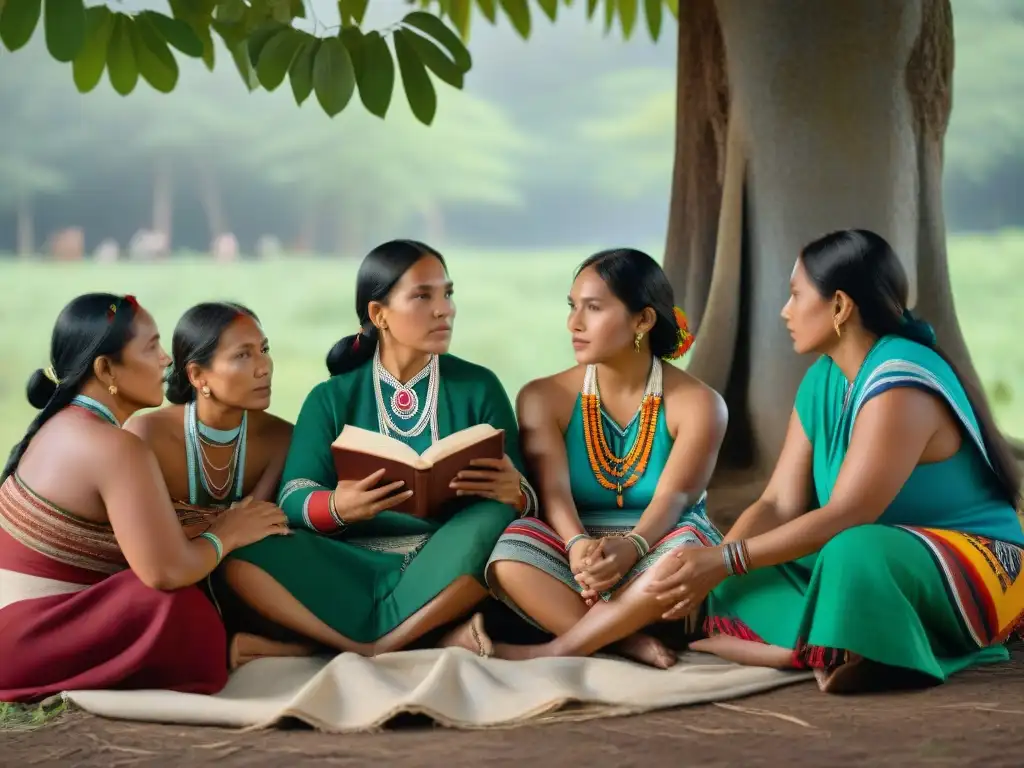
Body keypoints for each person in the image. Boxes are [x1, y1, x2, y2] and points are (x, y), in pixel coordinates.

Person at [644, 229, 1024, 693]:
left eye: (796, 295)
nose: (785, 311)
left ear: (840, 306)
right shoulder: (823, 378)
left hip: (973, 564)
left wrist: (726, 560)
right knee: (740, 574)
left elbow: (848, 514)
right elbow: (778, 504)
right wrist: (715, 567)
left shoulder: (900, 381)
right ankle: (838, 641)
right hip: (876, 559)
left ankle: (797, 650)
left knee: (850, 550)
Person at [221, 240, 539, 657]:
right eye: (423, 296)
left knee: (496, 520)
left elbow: (525, 497)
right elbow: (294, 496)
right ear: (378, 314)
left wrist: (513, 492)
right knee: (243, 550)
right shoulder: (330, 398)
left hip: (444, 561)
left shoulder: (480, 387)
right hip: (342, 562)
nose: (445, 309)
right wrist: (338, 505)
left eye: (448, 294)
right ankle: (396, 642)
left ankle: (354, 646)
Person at [0, 293, 288, 703]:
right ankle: (235, 649)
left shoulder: (65, 424)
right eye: (152, 347)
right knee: (182, 610)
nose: (166, 360)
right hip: (25, 640)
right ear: (105, 369)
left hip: (20, 630)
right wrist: (227, 531)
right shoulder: (116, 446)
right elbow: (165, 573)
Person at [476, 248, 727, 667]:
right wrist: (576, 546)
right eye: (573, 307)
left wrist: (633, 546)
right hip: (579, 547)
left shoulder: (700, 403)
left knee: (686, 554)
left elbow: (675, 499)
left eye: (593, 308)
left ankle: (562, 647)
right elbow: (552, 490)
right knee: (510, 552)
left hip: (659, 541)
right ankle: (623, 643)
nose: (574, 323)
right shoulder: (542, 397)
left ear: (643, 320)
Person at [125, 301, 313, 667]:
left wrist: (197, 524)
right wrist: (226, 526)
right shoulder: (146, 436)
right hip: (174, 585)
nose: (264, 366)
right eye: (243, 355)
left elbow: (261, 531)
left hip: (244, 582)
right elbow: (148, 549)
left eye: (264, 349)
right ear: (198, 376)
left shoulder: (282, 437)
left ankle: (274, 645)